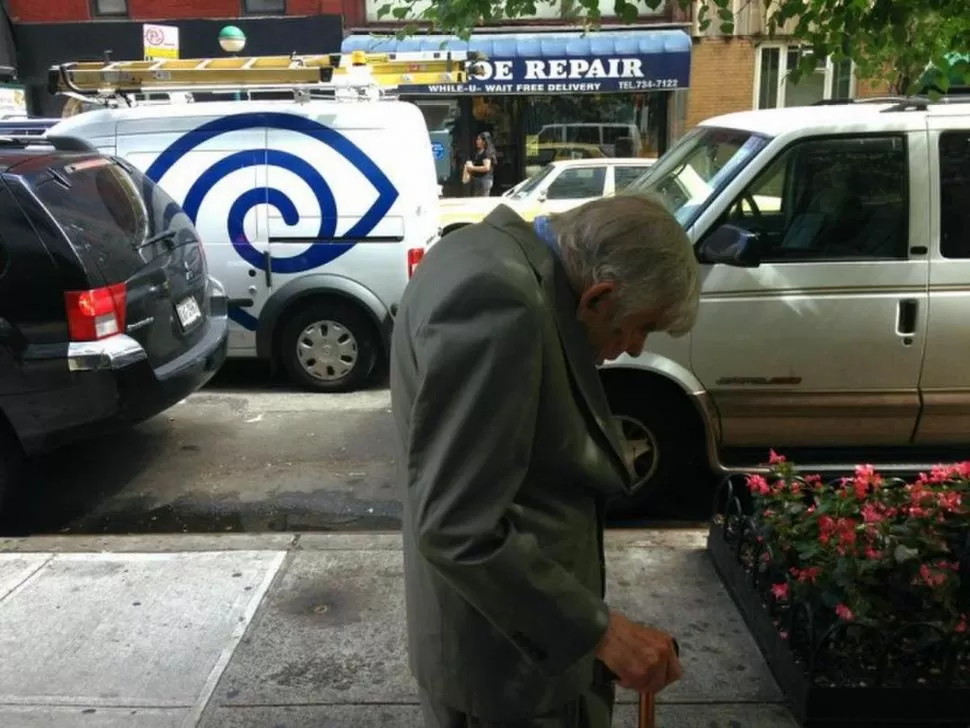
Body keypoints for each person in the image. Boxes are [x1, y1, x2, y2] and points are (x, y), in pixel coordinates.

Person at [389, 194, 700, 728]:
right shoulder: (505, 299)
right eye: (640, 326)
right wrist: (602, 632)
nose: (632, 347)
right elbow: (456, 526)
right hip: (509, 672)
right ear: (600, 297)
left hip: (504, 649)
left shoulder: (481, 251)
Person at [465, 131, 497, 197]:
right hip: (478, 180)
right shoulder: (479, 151)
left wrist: (472, 168)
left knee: (482, 202)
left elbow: (486, 167)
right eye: (477, 139)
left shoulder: (487, 152)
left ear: (484, 141)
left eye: (479, 139)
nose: (477, 141)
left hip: (484, 180)